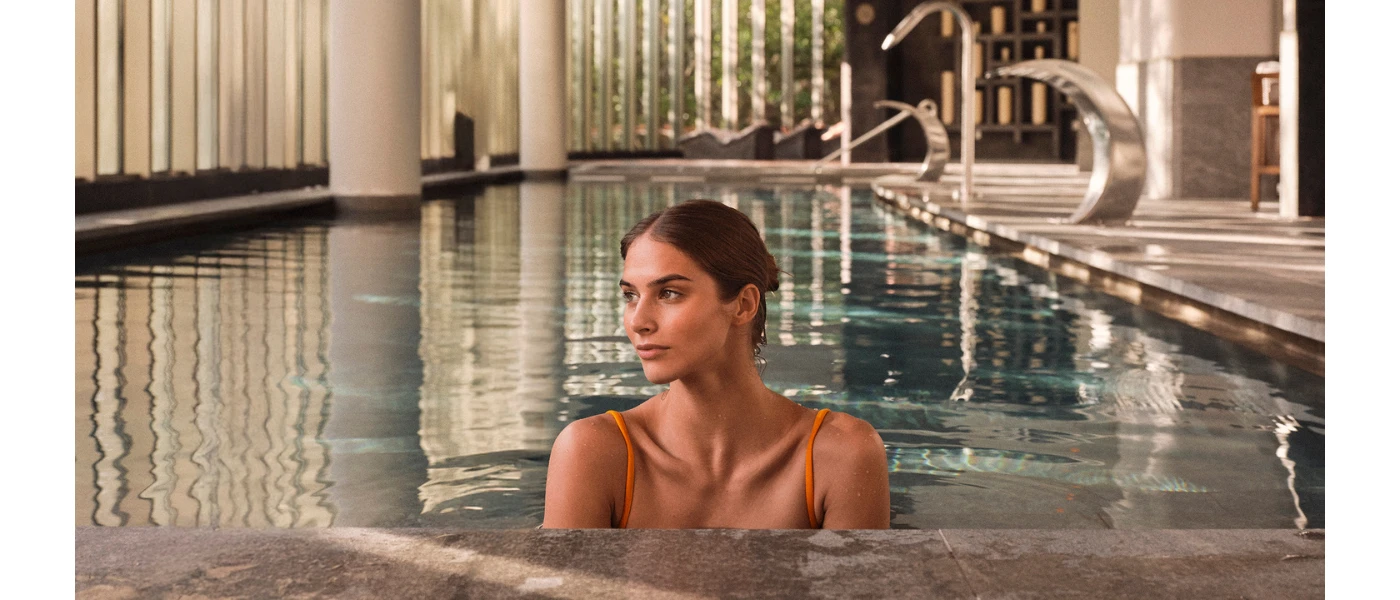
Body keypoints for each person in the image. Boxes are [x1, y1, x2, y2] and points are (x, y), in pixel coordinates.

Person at [543, 199, 890, 529]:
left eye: (669, 293)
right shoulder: (595, 454)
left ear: (743, 305)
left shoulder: (839, 455)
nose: (638, 321)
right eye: (630, 295)